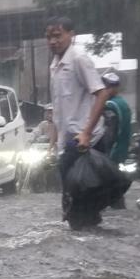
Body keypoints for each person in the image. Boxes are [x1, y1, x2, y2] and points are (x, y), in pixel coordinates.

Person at [47, 16, 110, 228]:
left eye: (58, 36)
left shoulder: (79, 59)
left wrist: (86, 133)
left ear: (70, 35)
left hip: (84, 140)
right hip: (68, 140)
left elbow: (101, 94)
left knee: (78, 197)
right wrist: (53, 142)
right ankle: (83, 232)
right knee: (72, 197)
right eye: (49, 37)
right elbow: (58, 108)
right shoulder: (54, 65)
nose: (53, 41)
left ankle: (86, 234)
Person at [98, 72, 132, 165]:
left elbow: (109, 133)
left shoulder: (109, 105)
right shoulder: (122, 102)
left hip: (112, 151)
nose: (105, 89)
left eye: (107, 87)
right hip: (123, 150)